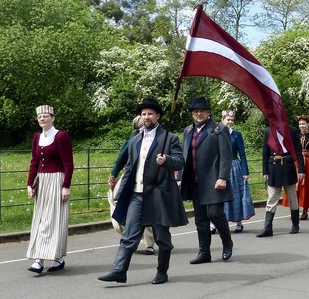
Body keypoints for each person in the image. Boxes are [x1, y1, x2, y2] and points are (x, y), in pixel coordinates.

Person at [98, 97, 187, 284]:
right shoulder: (135, 140)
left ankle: (162, 271)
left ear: (158, 116)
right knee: (129, 235)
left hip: (159, 195)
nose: (146, 117)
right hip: (137, 195)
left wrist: (167, 160)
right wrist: (120, 193)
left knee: (162, 238)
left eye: (150, 114)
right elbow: (129, 168)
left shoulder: (169, 138)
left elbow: (180, 161)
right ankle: (119, 270)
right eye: (143, 114)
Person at [179, 97, 234, 263]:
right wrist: (179, 176)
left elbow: (226, 155)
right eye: (195, 111)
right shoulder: (188, 130)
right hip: (195, 180)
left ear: (208, 112)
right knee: (200, 219)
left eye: (202, 111)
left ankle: (227, 242)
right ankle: (204, 253)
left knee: (214, 213)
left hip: (214, 179)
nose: (198, 114)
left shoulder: (219, 129)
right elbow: (185, 155)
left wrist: (223, 177)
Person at [26, 104, 74, 274]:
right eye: (39, 116)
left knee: (54, 221)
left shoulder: (61, 136)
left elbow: (68, 163)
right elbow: (34, 162)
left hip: (57, 180)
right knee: (40, 220)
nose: (42, 119)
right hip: (42, 182)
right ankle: (42, 258)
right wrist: (30, 183)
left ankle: (53, 257)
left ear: (53, 118)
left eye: (46, 116)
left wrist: (66, 186)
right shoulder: (37, 137)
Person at [107, 115, 155, 254]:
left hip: (148, 179)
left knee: (147, 210)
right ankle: (127, 236)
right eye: (140, 125)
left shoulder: (156, 138)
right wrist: (113, 174)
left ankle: (149, 244)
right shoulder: (132, 140)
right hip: (130, 177)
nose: (144, 126)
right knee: (118, 202)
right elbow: (121, 159)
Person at [257, 124, 305, 237]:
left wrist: (302, 170)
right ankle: (268, 228)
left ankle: (295, 224)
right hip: (274, 167)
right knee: (272, 198)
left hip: (288, 166)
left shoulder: (292, 131)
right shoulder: (268, 131)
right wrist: (265, 171)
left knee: (292, 197)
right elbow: (265, 152)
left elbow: (298, 151)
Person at [221, 109, 255, 232]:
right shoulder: (217, 133)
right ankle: (219, 223)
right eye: (227, 119)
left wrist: (245, 171)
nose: (230, 122)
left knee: (236, 194)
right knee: (220, 195)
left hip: (234, 166)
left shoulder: (237, 134)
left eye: (231, 120)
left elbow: (243, 154)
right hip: (220, 167)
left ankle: (239, 222)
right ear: (222, 120)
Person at [283, 115, 309, 220]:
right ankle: (294, 210)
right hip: (297, 163)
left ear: (308, 124)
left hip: (308, 162)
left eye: (303, 123)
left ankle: (305, 211)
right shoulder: (296, 136)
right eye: (300, 124)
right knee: (294, 187)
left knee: (306, 187)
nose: (301, 126)